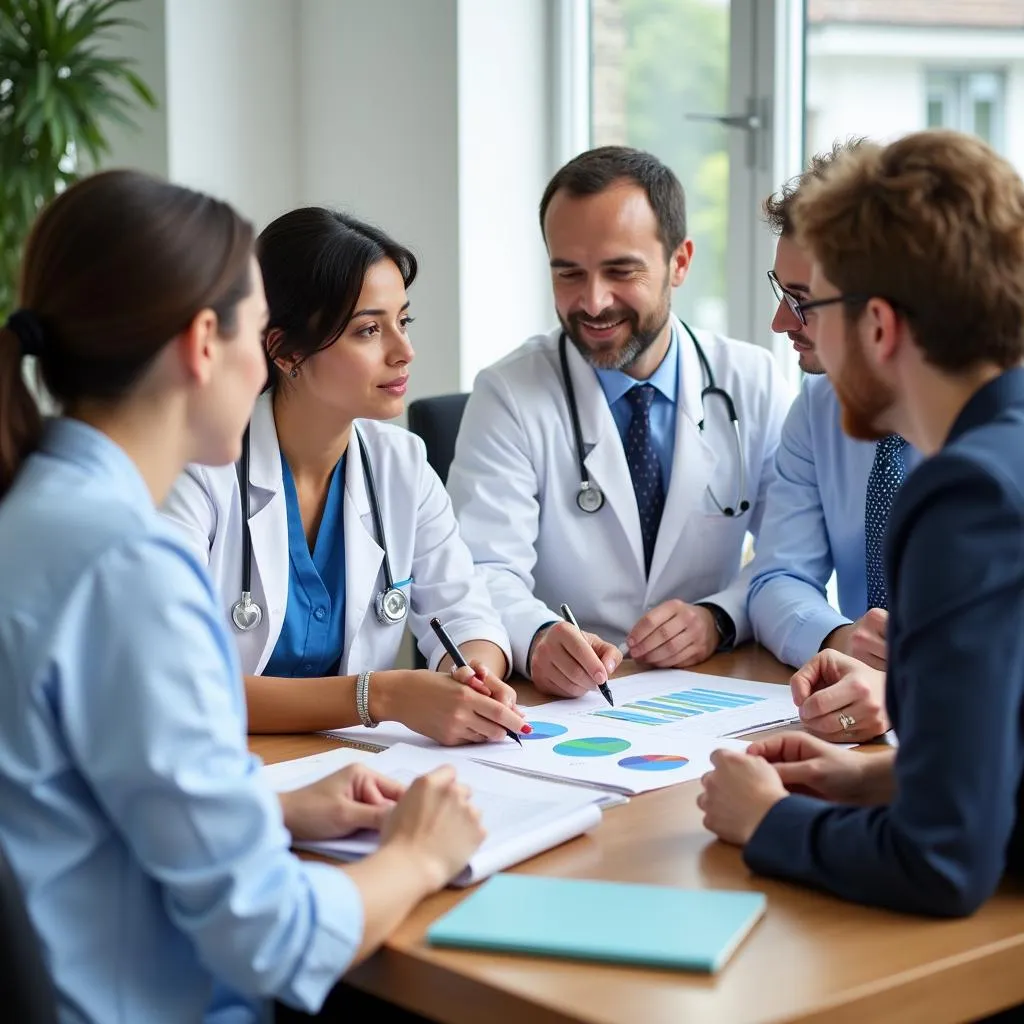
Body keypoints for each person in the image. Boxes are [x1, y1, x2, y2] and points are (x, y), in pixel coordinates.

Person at [0, 170, 485, 1023]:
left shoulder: (34, 517)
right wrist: (418, 854)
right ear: (202, 345)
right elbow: (272, 938)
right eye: (260, 331)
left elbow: (74, 793)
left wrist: (272, 803)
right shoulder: (131, 569)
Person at [699, 130, 1024, 917]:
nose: (785, 328)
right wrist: (882, 779)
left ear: (879, 325)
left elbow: (941, 863)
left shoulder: (967, 498)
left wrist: (772, 820)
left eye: (811, 305)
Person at [162, 208, 525, 745]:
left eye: (404, 321)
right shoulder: (197, 470)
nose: (404, 352)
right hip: (220, 766)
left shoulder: (402, 465)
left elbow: (466, 614)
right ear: (286, 351)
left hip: (348, 767)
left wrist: (476, 675)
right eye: (368, 330)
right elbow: (178, 680)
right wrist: (382, 695)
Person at [448, 145, 792, 697]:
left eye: (619, 271)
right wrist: (537, 636)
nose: (593, 301)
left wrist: (720, 618)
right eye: (569, 274)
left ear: (679, 262)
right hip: (569, 699)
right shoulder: (509, 393)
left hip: (711, 684)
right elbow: (482, 568)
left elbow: (789, 552)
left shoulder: (751, 379)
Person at [746, 140, 919, 743]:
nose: (779, 323)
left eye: (802, 303)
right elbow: (774, 582)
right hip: (865, 729)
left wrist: (911, 686)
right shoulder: (819, 408)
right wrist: (845, 642)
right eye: (780, 291)